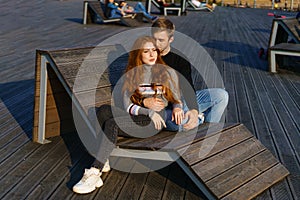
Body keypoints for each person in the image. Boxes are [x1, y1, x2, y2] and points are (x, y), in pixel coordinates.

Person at [72, 36, 202, 194]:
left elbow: (175, 98)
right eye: (146, 51)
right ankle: (103, 159)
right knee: (104, 110)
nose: (152, 54)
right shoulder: (132, 75)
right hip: (141, 116)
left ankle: (94, 171)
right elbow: (128, 106)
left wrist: (176, 108)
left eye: (154, 50)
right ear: (138, 55)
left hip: (154, 124)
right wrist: (148, 110)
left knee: (112, 124)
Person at [146, 17, 228, 130]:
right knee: (179, 123)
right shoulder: (146, 56)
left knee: (222, 96)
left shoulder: (179, 58)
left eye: (161, 40)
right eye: (154, 39)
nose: (156, 44)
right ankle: (201, 120)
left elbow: (188, 86)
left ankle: (207, 130)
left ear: (171, 39)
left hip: (181, 101)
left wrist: (193, 110)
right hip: (164, 106)